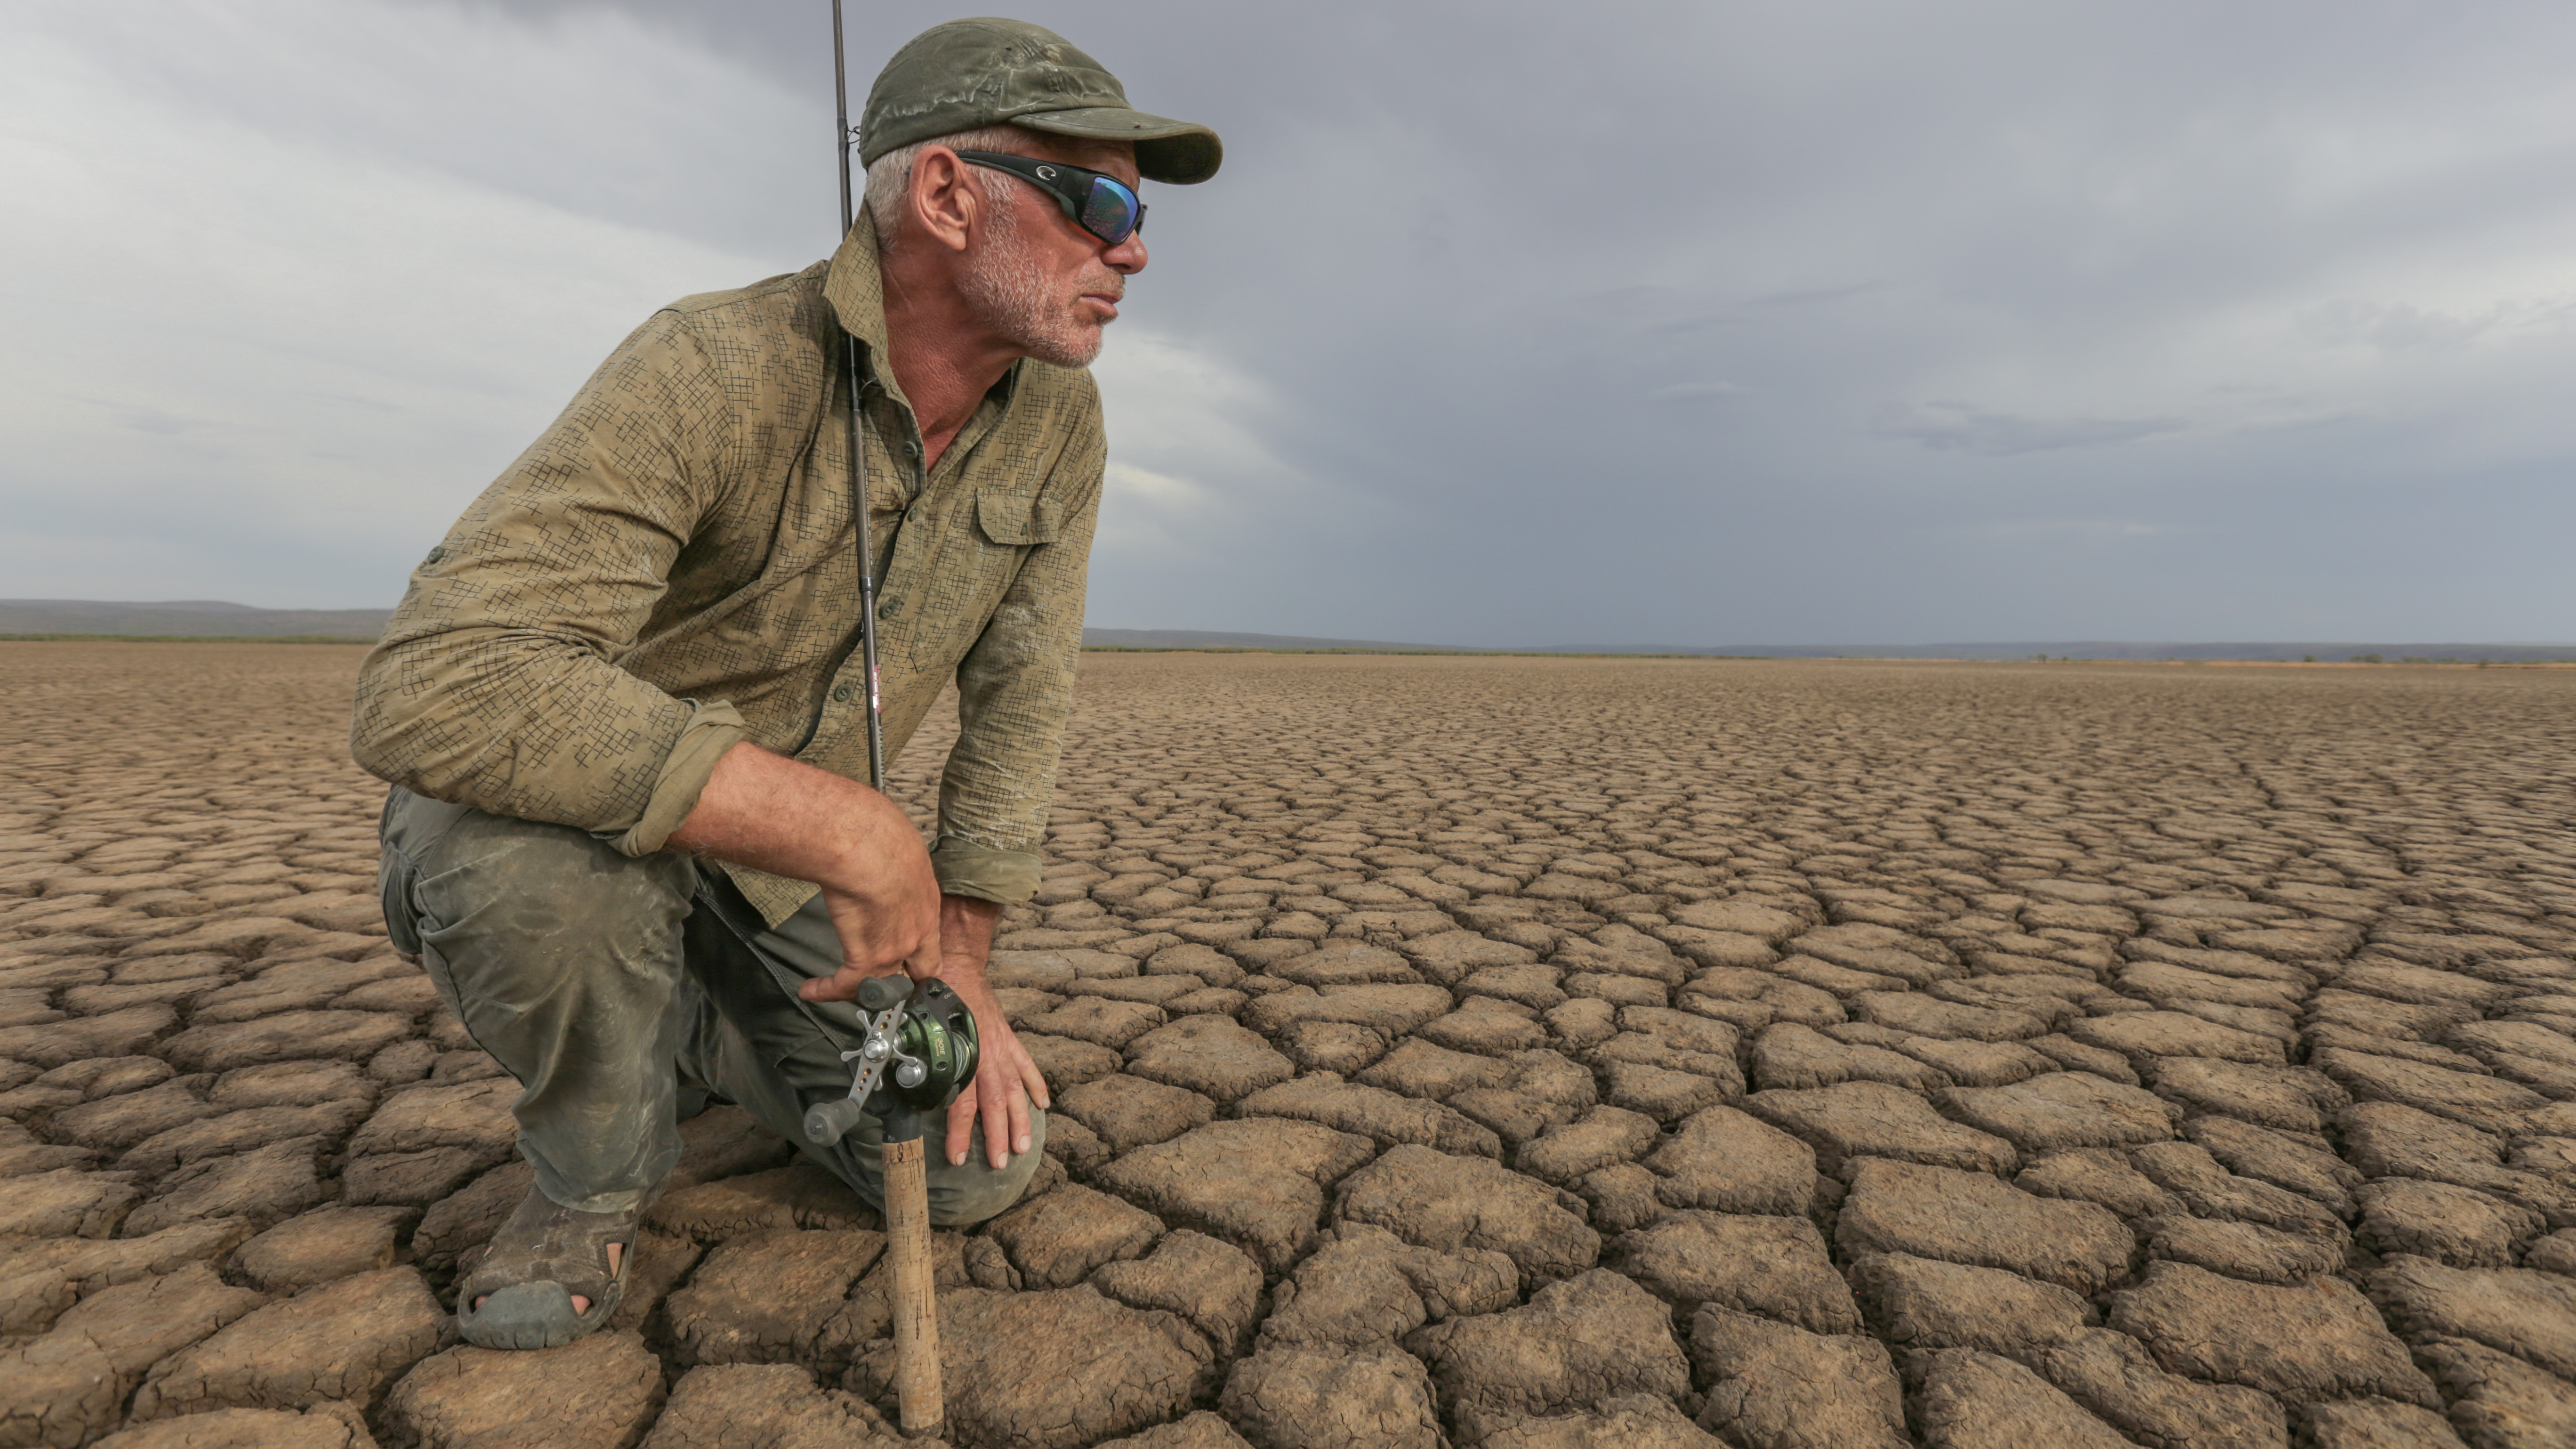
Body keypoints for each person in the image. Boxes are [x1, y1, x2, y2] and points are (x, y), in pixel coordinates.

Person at [350, 17, 1220, 1350]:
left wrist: (965, 972)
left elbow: (1023, 699)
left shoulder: (1059, 422)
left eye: (1137, 215)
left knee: (976, 1164)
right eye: (1096, 201)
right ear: (944, 196)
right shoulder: (713, 367)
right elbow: (439, 680)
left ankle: (687, 1027)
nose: (1133, 249)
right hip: (572, 832)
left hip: (772, 886)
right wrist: (852, 826)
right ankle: (589, 1177)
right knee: (543, 892)